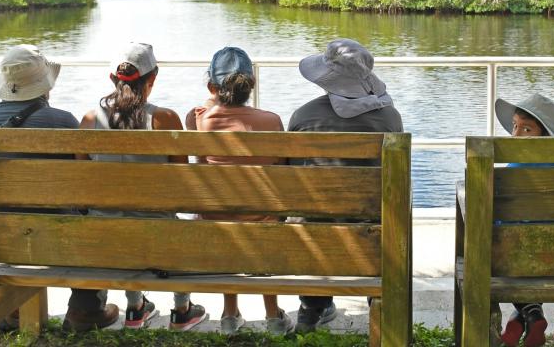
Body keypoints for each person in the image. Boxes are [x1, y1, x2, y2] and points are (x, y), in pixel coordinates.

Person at [0, 45, 122, 332]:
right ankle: (84, 309)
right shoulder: (63, 122)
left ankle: (12, 309)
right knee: (91, 222)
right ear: (45, 85)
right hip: (58, 241)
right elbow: (83, 185)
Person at [78, 43, 209, 332]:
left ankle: (135, 308)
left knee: (120, 218)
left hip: (104, 240)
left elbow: (83, 181)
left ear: (112, 78)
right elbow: (183, 181)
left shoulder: (89, 120)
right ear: (152, 79)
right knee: (169, 222)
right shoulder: (164, 120)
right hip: (158, 236)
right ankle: (182, 309)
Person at [287, 38, 403, 334]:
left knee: (313, 213)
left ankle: (311, 307)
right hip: (370, 236)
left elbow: (291, 180)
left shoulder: (302, 117)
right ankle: (377, 301)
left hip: (312, 237)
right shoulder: (389, 118)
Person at [184, 47, 295, 335]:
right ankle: (273, 316)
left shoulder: (198, 119)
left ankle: (230, 315)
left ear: (212, 86)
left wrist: (214, 96)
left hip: (216, 223)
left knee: (225, 216)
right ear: (251, 85)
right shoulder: (272, 121)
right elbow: (282, 170)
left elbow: (206, 107)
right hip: (264, 224)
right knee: (265, 216)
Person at [492, 94, 554, 347]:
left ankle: (531, 315)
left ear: (544, 136)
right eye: (515, 126)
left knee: (497, 248)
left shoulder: (514, 168)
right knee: (534, 258)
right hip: (551, 254)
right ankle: (524, 317)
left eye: (526, 129)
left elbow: (500, 214)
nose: (516, 134)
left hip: (511, 255)